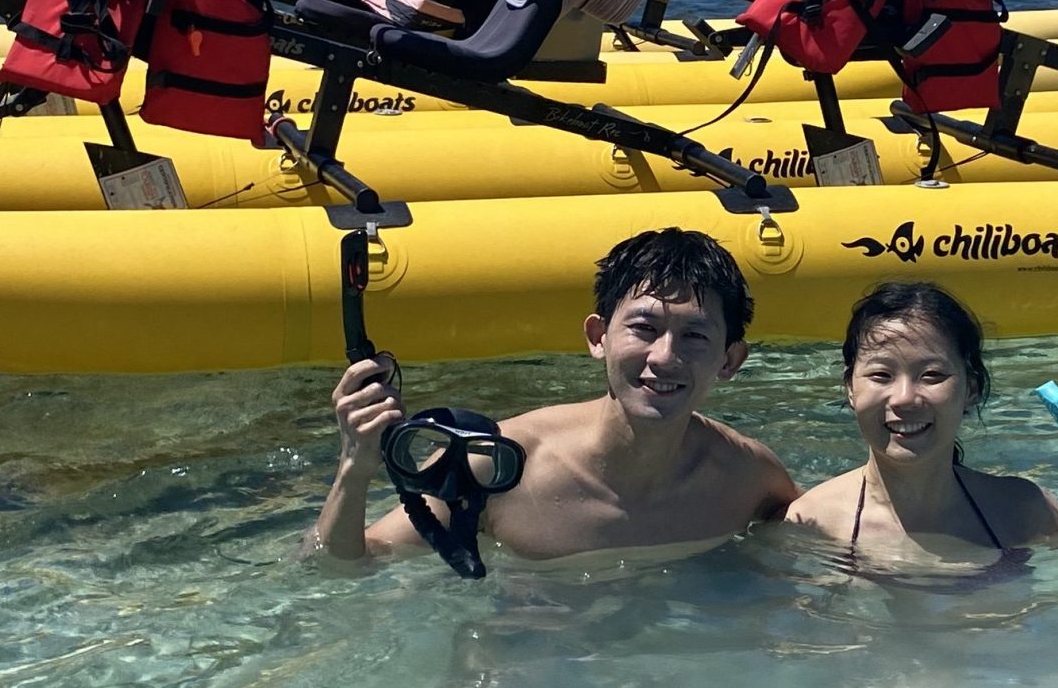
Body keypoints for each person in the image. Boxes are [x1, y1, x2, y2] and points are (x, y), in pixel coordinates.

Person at [312, 227, 800, 565]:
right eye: (644, 328)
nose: (665, 356)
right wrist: (355, 465)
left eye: (694, 335)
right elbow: (346, 567)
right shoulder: (499, 464)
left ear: (730, 360)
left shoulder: (746, 478)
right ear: (598, 337)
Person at [785, 281, 1058, 574]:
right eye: (881, 375)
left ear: (971, 389)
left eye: (932, 375)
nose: (904, 398)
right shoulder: (814, 522)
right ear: (850, 389)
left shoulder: (1021, 509)